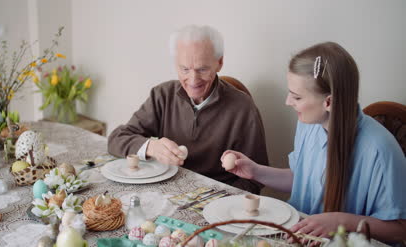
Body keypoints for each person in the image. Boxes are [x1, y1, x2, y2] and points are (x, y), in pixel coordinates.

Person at [222, 42, 406, 243]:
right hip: (299, 236)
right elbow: (302, 180)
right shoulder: (309, 123)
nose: (288, 102)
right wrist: (256, 171)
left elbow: (399, 230)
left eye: (297, 97)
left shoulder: (380, 150)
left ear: (329, 102)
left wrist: (342, 222)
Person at [108, 25, 268, 193]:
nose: (193, 80)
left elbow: (256, 177)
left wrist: (220, 200)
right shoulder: (162, 95)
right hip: (166, 190)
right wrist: (151, 147)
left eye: (202, 69)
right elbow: (117, 139)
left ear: (219, 62)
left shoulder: (243, 108)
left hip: (216, 197)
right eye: (185, 69)